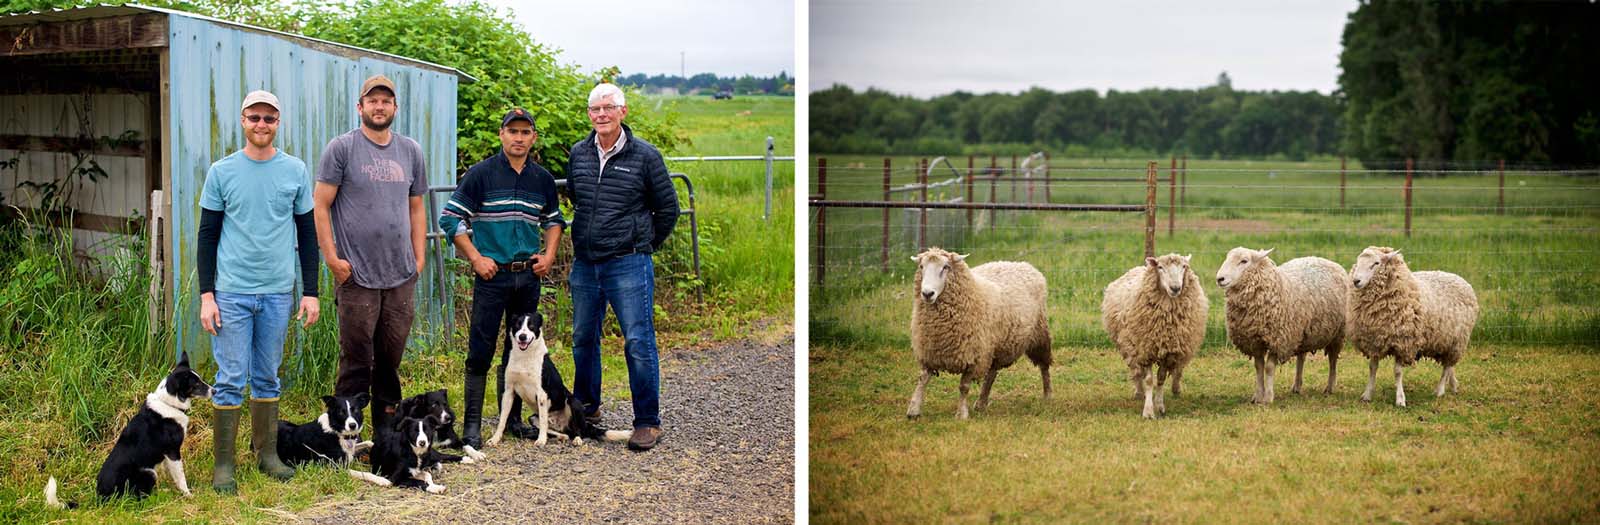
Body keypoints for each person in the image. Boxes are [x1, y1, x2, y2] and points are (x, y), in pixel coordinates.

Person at [197, 90, 318, 493]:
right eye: (254, 118)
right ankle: (224, 465)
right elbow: (207, 236)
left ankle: (267, 456)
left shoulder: (295, 170)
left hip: (278, 293)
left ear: (278, 123)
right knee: (231, 377)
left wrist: (311, 291)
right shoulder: (222, 171)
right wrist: (207, 295)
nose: (261, 125)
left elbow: (307, 233)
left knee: (267, 376)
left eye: (269, 118)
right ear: (243, 121)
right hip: (231, 293)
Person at [438, 108, 572, 447]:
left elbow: (554, 220)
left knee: (517, 349)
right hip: (492, 275)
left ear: (533, 138)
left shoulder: (541, 178)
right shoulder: (481, 175)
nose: (518, 137)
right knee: (480, 350)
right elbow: (450, 219)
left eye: (525, 132)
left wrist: (550, 254)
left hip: (527, 275)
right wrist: (476, 257)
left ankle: (510, 421)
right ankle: (471, 425)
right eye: (512, 131)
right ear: (501, 135)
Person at [564, 83, 679, 451]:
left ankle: (647, 421)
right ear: (589, 114)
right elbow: (578, 201)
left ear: (623, 112)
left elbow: (668, 209)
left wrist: (642, 244)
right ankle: (586, 408)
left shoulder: (645, 155)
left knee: (637, 341)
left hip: (628, 261)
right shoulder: (579, 154)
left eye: (608, 108)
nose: (601, 114)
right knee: (583, 337)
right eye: (595, 109)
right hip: (586, 263)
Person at [313, 74, 428, 432]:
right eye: (372, 100)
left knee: (390, 358)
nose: (379, 107)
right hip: (357, 276)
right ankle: (341, 436)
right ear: (360, 106)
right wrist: (332, 259)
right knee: (357, 359)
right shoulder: (342, 148)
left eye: (386, 101)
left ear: (395, 107)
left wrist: (419, 258)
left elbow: (417, 208)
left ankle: (385, 434)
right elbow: (320, 205)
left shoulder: (410, 150)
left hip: (400, 275)